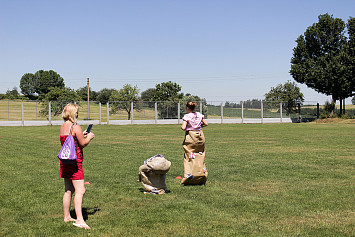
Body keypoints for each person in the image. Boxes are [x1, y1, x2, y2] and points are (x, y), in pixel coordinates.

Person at [59, 103, 95, 229]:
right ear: (73, 113)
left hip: (65, 162)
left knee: (68, 190)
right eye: (77, 112)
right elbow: (83, 143)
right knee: (81, 190)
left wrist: (82, 133)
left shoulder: (63, 126)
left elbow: (70, 141)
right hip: (75, 162)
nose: (78, 114)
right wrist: (89, 137)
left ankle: (67, 216)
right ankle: (80, 220)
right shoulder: (75, 126)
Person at [180, 101, 208, 185]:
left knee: (189, 156)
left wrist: (189, 128)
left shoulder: (187, 116)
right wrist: (199, 126)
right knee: (200, 155)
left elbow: (183, 127)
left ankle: (189, 175)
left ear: (187, 108)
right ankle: (201, 174)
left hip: (191, 138)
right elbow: (206, 123)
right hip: (200, 137)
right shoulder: (199, 114)